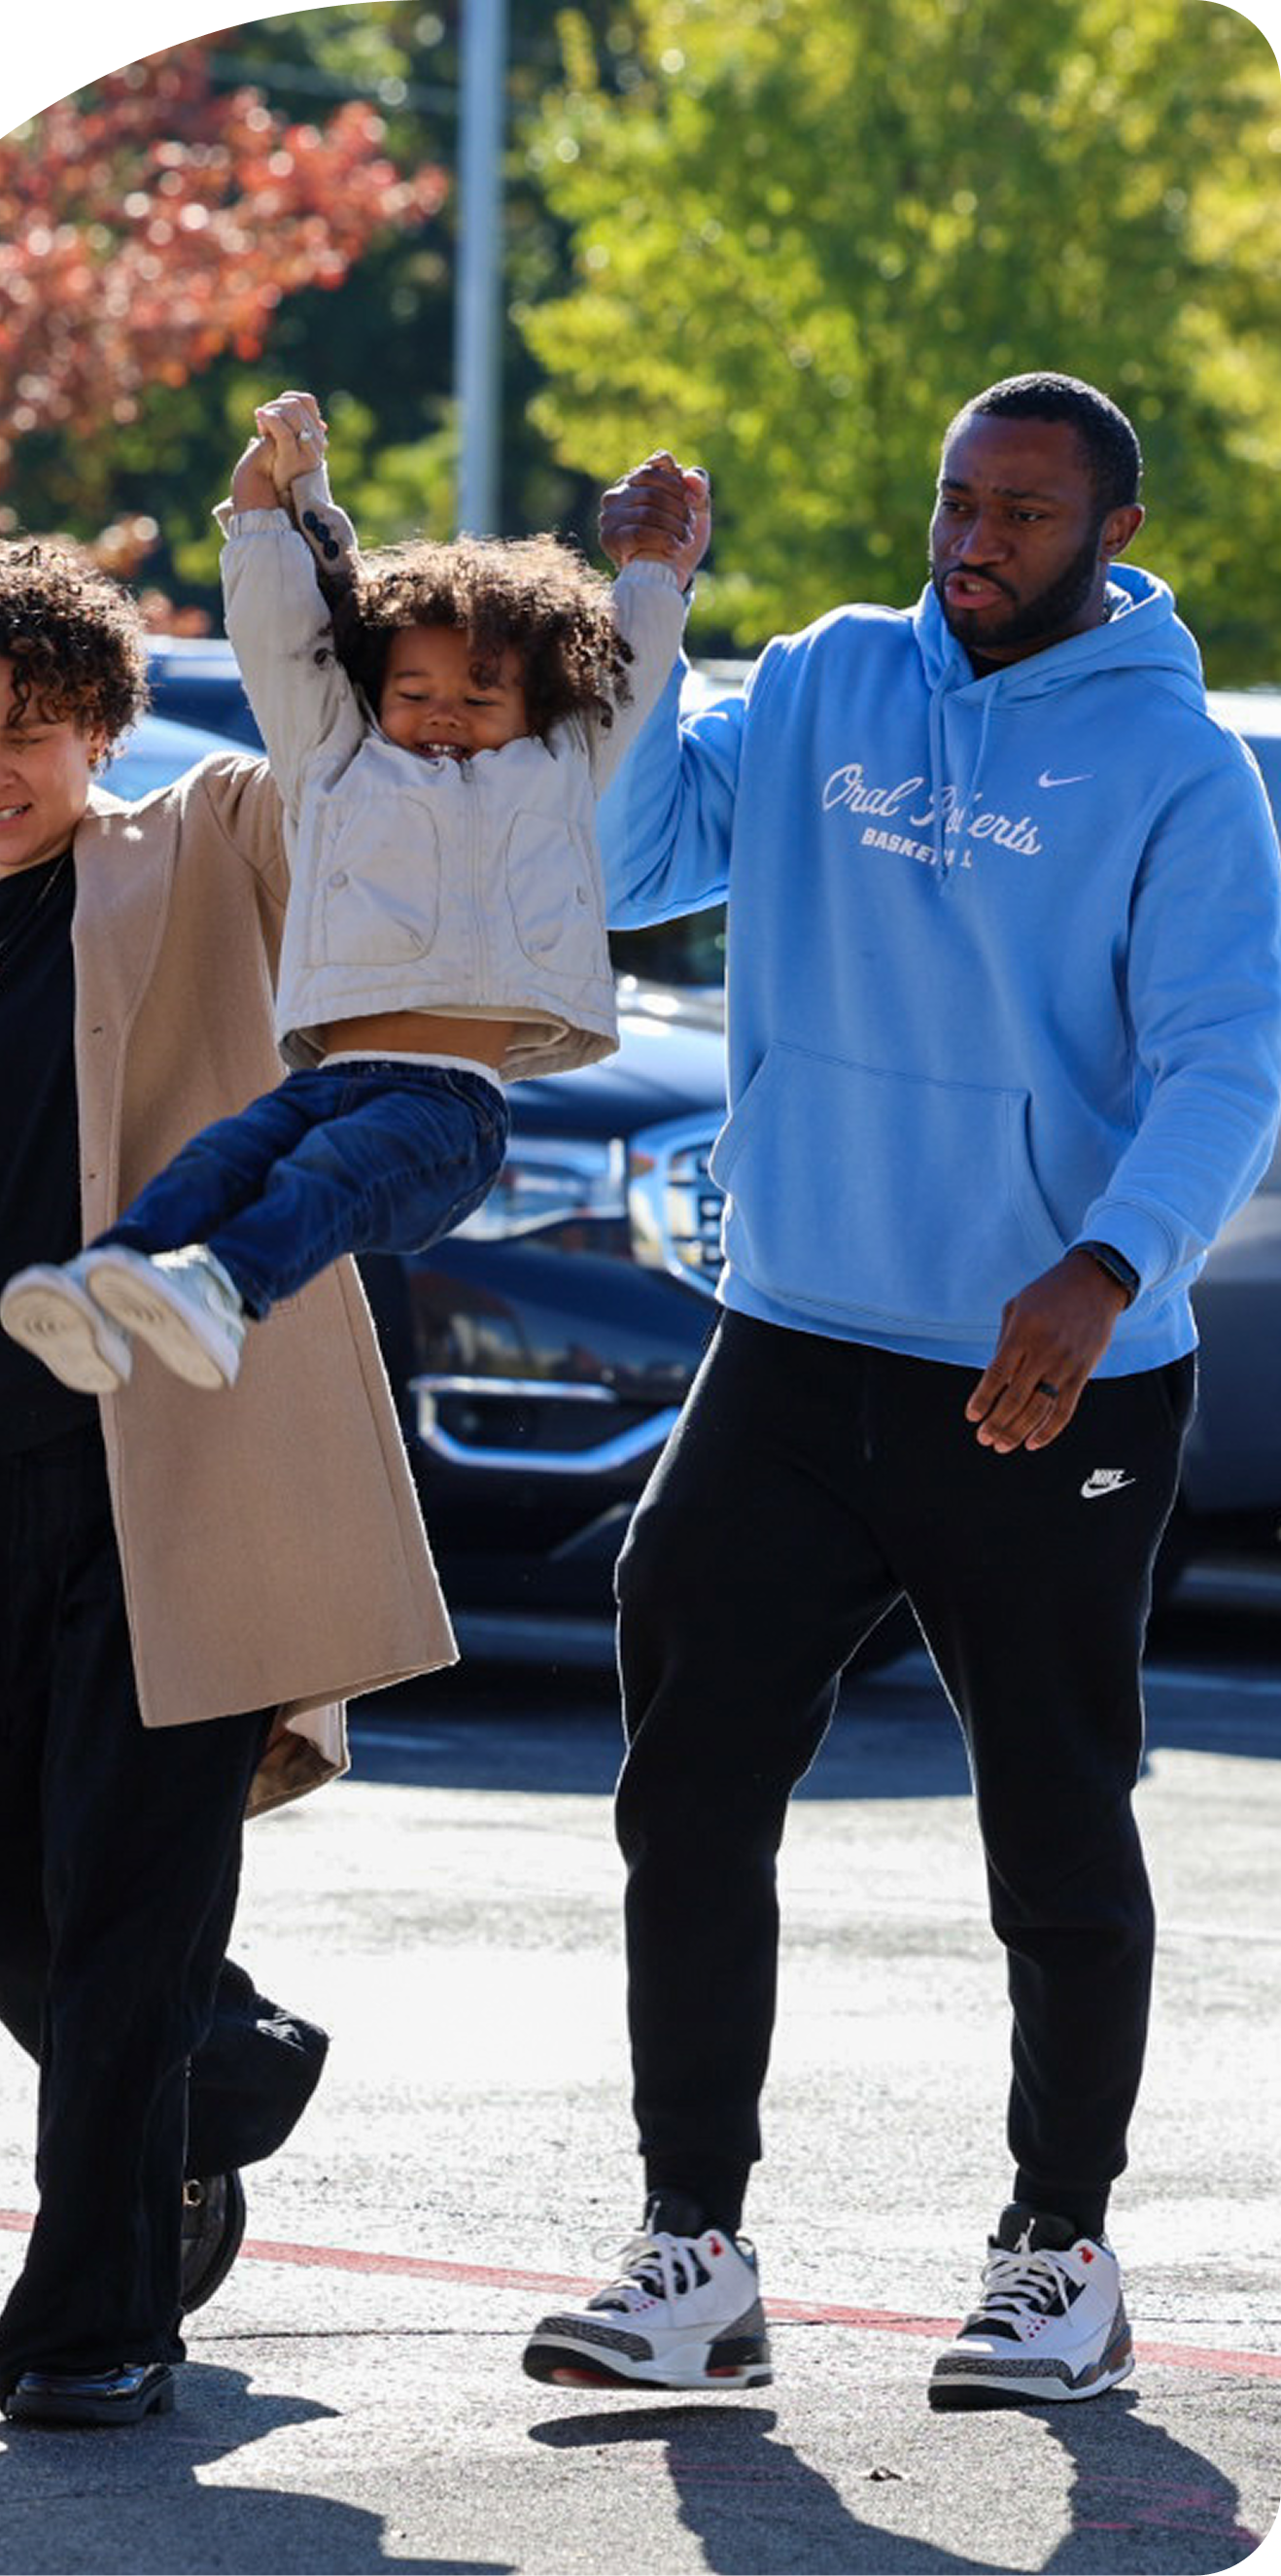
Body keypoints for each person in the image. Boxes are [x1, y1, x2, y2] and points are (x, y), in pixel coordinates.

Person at [520, 373, 1281, 2408]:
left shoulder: (1182, 769)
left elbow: (1228, 1057)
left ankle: (1059, 2254)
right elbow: (626, 865)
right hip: (792, 1338)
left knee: (1051, 1813)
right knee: (688, 1786)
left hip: (1049, 1376)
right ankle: (691, 2250)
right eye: (957, 499)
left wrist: (1109, 1263)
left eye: (1022, 511)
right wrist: (652, 610)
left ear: (1112, 534)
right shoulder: (825, 680)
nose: (974, 538)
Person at [0, 533, 458, 2427]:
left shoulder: (207, 852)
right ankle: (225, 2075)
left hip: (188, 1492)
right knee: (9, 1919)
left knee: (123, 1914)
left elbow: (336, 749)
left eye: (29, 730)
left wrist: (302, 543)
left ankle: (92, 2327)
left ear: (101, 725)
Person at [0, 391, 690, 1395]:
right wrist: (267, 507)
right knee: (219, 1160)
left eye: (479, 697)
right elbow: (284, 640)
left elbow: (632, 662)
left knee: (326, 1174)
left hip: (450, 1110)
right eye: (413, 694)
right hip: (328, 1079)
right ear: (374, 690)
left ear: (538, 704)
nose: (443, 715)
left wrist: (656, 569)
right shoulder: (336, 764)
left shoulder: (558, 767)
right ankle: (102, 1289)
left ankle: (225, 1288)